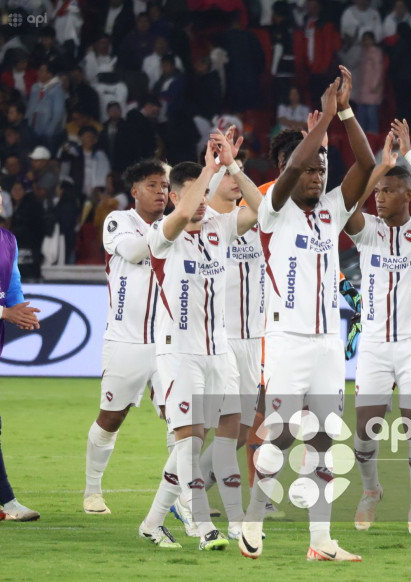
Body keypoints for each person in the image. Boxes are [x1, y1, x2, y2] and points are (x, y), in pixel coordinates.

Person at [239, 67, 373, 562]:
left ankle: (321, 542)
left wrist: (347, 114)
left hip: (327, 344)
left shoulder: (333, 209)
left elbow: (366, 161)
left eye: (322, 169)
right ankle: (252, 522)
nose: (317, 175)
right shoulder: (274, 211)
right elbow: (294, 166)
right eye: (310, 169)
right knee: (275, 438)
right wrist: (321, 125)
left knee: (322, 440)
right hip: (287, 340)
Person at [139, 132, 261, 550]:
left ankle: (154, 523)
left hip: (219, 351)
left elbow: (265, 213)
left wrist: (232, 165)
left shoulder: (220, 227)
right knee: (189, 441)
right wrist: (207, 170)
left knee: (223, 435)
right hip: (180, 353)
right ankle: (198, 524)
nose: (202, 200)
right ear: (175, 197)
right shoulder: (161, 235)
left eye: (205, 193)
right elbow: (182, 215)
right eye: (193, 194)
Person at [347, 118, 411, 535]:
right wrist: (379, 166)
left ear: (409, 194)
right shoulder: (367, 232)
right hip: (373, 344)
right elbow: (348, 206)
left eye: (389, 191)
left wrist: (410, 157)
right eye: (378, 191)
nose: (380, 198)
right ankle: (371, 490)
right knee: (364, 429)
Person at [82, 159, 168, 515]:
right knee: (111, 418)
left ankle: (184, 498)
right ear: (135, 191)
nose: (161, 192)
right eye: (152, 185)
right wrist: (172, 231)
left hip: (169, 344)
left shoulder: (176, 226)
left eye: (165, 186)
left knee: (182, 420)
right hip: (125, 341)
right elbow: (134, 252)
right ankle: (92, 491)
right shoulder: (118, 220)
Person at [0, 170, 40, 522]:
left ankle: (6, 503)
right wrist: (4, 311)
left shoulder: (6, 239)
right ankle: (8, 502)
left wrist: (19, 311)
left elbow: (12, 285)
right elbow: (3, 305)